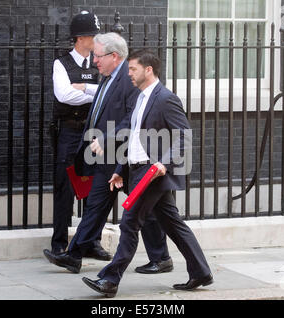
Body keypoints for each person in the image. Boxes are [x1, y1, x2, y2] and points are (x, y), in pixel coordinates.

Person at [82, 49, 213, 298]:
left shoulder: (165, 98)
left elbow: (183, 135)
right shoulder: (141, 98)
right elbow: (134, 140)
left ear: (148, 70)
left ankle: (110, 279)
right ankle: (201, 271)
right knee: (172, 224)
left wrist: (164, 164)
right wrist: (121, 169)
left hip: (153, 173)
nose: (129, 73)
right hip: (138, 168)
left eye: (133, 69)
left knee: (130, 222)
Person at [44, 33, 172, 274]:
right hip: (105, 154)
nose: (94, 61)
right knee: (96, 203)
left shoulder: (129, 78)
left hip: (124, 155)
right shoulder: (108, 76)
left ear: (114, 56)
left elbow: (132, 117)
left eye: (98, 56)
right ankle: (74, 255)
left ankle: (161, 257)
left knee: (150, 208)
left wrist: (108, 138)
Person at [43, 11, 110, 260]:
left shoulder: (100, 62)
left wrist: (86, 89)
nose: (97, 40)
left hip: (94, 132)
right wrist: (96, 95)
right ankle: (59, 243)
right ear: (81, 38)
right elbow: (64, 96)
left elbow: (108, 92)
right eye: (94, 35)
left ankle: (92, 241)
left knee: (97, 188)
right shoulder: (61, 64)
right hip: (70, 131)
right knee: (65, 187)